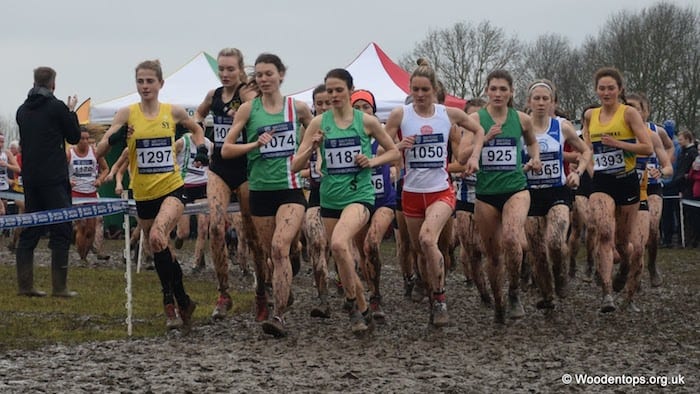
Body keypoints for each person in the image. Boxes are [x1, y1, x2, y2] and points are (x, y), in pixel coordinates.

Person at [96, 60, 205, 330]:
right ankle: (183, 300)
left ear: (160, 84)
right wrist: (117, 136)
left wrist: (201, 150)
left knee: (158, 237)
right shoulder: (126, 114)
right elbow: (98, 151)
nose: (145, 86)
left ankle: (168, 301)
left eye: (150, 81)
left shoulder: (174, 112)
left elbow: (198, 129)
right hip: (143, 195)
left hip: (171, 188)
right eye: (140, 81)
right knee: (159, 247)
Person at [293, 69, 399, 334]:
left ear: (350, 90)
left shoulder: (367, 122)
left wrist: (372, 161)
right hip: (330, 199)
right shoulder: (319, 123)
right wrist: (311, 147)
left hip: (360, 196)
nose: (334, 95)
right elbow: (295, 165)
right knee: (341, 256)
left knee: (340, 243)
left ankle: (352, 303)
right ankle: (362, 308)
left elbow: (395, 153)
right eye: (329, 90)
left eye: (339, 89)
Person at [384, 59, 485, 327]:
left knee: (429, 241)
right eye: (415, 89)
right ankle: (427, 285)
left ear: (434, 90)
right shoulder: (400, 115)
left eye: (424, 90)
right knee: (419, 249)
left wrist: (474, 155)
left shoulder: (448, 114)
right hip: (412, 192)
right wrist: (399, 147)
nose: (419, 95)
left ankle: (440, 299)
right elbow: (383, 148)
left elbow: (479, 130)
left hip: (441, 191)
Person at [221, 53, 314, 337]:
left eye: (269, 74)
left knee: (279, 248)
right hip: (260, 190)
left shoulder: (296, 108)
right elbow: (226, 149)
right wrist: (253, 145)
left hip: (290, 188)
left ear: (281, 75)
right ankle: (289, 273)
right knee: (273, 254)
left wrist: (314, 153)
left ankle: (278, 315)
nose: (263, 79)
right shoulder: (248, 110)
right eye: (259, 75)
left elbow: (317, 131)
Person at [194, 48, 266, 320]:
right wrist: (200, 139)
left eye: (230, 69)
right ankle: (224, 293)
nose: (225, 74)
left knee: (252, 234)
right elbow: (197, 118)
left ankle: (262, 291)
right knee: (215, 226)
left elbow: (259, 110)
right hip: (220, 168)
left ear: (240, 69)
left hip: (247, 168)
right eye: (221, 69)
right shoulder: (213, 96)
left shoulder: (246, 93)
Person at [469, 69, 540, 324]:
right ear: (486, 90)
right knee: (493, 254)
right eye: (493, 89)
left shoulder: (521, 119)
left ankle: (514, 293)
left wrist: (536, 157)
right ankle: (499, 301)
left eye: (503, 89)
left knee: (511, 237)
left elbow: (532, 142)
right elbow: (463, 151)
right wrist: (484, 140)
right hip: (486, 194)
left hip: (516, 189)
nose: (498, 93)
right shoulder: (475, 118)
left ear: (511, 92)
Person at [582, 67, 652, 313]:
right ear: (596, 90)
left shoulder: (629, 113)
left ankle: (625, 268)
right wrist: (588, 168)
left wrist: (619, 144)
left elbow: (647, 148)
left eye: (611, 88)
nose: (606, 92)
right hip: (602, 182)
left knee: (623, 243)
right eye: (602, 88)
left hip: (627, 181)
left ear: (620, 89)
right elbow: (587, 148)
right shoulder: (591, 115)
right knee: (603, 232)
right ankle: (606, 293)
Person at [522, 79, 591, 311]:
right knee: (537, 252)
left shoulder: (561, 126)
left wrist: (579, 173)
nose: (541, 103)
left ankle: (560, 277)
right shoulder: (520, 126)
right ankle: (547, 293)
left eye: (546, 99)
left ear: (552, 102)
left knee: (554, 241)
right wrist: (524, 168)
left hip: (557, 192)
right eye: (537, 98)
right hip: (529, 194)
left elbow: (585, 151)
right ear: (528, 102)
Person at [15, 67, 81, 297]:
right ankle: (59, 287)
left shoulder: (22, 110)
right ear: (53, 84)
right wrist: (71, 111)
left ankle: (25, 286)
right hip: (54, 178)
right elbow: (73, 136)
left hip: (31, 178)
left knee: (31, 228)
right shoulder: (57, 107)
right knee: (62, 228)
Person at [351, 88, 397, 322]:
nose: (361, 112)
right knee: (362, 252)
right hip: (358, 200)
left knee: (371, 245)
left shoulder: (379, 135)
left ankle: (375, 296)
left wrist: (378, 162)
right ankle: (373, 290)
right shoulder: (346, 138)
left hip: (383, 201)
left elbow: (396, 153)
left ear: (374, 111)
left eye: (366, 107)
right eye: (356, 108)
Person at [302, 83, 333, 318]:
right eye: (319, 103)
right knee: (316, 243)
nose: (323, 107)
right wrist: (311, 147)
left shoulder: (346, 126)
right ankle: (323, 298)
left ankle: (355, 292)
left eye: (328, 102)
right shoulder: (310, 129)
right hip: (316, 194)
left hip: (345, 196)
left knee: (345, 248)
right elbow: (297, 164)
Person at [173, 126, 213, 273]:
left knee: (203, 227)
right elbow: (170, 159)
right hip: (185, 187)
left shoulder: (209, 144)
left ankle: (196, 262)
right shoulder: (182, 143)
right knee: (184, 232)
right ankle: (179, 237)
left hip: (203, 187)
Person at [68, 127, 109, 264]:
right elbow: (60, 170)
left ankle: (85, 252)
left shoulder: (95, 152)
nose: (85, 141)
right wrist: (68, 181)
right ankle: (82, 258)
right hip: (76, 194)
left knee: (91, 229)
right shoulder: (70, 153)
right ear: (76, 140)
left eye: (87, 138)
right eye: (82, 139)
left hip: (91, 193)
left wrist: (100, 180)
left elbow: (106, 169)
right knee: (82, 226)